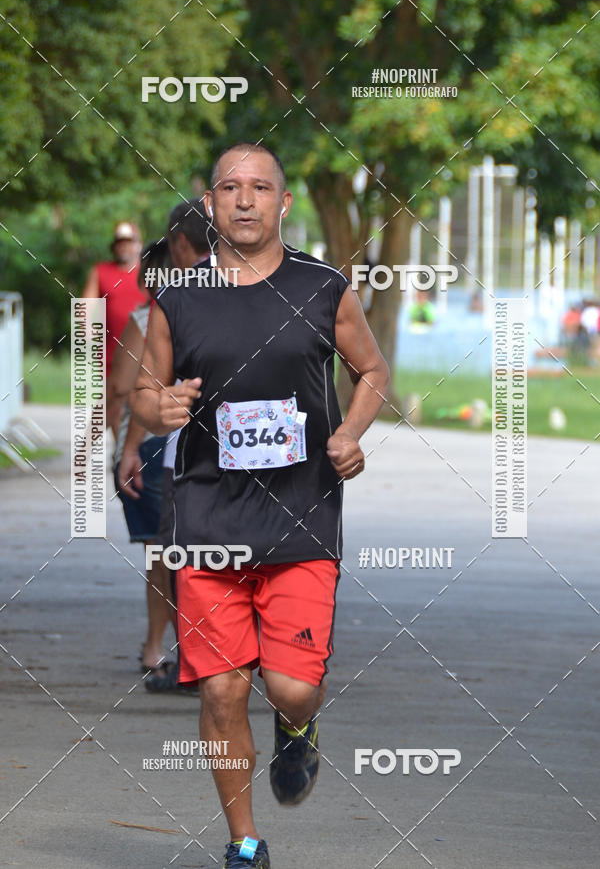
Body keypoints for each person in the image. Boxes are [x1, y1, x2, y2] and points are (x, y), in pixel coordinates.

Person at [131, 143, 389, 868]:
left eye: (261, 187)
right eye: (230, 188)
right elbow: (146, 396)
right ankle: (244, 842)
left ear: (284, 203)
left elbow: (371, 370)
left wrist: (348, 432)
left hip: (301, 519)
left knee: (292, 687)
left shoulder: (321, 287)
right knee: (219, 690)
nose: (245, 200)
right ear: (209, 204)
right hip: (209, 519)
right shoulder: (176, 299)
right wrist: (164, 407)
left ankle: (298, 728)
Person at [144, 199, 213, 694]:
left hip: (187, 464)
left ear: (179, 243)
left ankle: (196, 658)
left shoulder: (171, 300)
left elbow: (137, 388)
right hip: (268, 467)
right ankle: (206, 658)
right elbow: (148, 392)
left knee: (179, 559)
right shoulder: (272, 289)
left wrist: (130, 443)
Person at [109, 239, 173, 677]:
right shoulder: (218, 317)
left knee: (160, 556)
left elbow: (119, 388)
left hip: (149, 445)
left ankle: (155, 647)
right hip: (205, 449)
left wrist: (120, 445)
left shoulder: (144, 320)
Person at [81, 221, 146, 436]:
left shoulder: (149, 272)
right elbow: (86, 305)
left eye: (129, 242)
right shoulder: (101, 271)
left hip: (146, 356)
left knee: (142, 412)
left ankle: (135, 459)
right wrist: (86, 328)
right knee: (116, 410)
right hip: (112, 357)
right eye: (120, 242)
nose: (124, 247)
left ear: (139, 244)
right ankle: (121, 461)